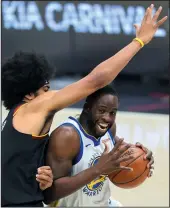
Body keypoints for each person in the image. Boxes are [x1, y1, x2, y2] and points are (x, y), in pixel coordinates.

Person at [1, 3, 165, 207]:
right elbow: (95, 80)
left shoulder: (16, 119)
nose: (51, 92)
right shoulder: (35, 109)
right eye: (45, 87)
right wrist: (139, 41)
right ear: (27, 95)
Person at [43, 85, 154, 207]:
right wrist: (98, 169)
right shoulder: (67, 136)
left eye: (112, 113)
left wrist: (142, 157)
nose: (107, 118)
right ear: (87, 108)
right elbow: (49, 195)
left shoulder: (109, 129)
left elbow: (119, 149)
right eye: (101, 110)